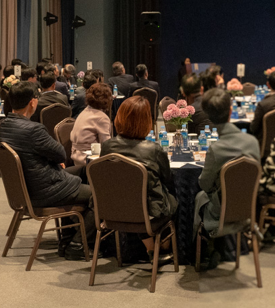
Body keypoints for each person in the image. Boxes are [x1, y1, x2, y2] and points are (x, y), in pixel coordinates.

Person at [0, 81, 93, 259]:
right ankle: (77, 244)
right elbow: (60, 153)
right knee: (98, 194)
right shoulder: (33, 130)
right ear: (33, 102)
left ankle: (66, 238)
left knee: (83, 170)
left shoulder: (4, 125)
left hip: (27, 186)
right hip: (44, 189)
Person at [100, 96, 178, 261]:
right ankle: (163, 247)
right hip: (146, 214)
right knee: (173, 199)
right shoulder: (154, 150)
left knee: (135, 198)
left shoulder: (107, 147)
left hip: (112, 211)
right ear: (146, 121)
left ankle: (151, 248)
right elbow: (167, 179)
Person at [195, 89, 261, 267]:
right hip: (248, 210)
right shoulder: (252, 142)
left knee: (200, 197)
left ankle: (205, 251)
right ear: (231, 111)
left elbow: (204, 184)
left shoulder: (216, 149)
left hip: (221, 214)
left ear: (207, 115)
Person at [69, 83, 112, 166]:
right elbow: (106, 146)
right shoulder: (101, 118)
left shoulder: (84, 111)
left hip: (76, 158)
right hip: (89, 162)